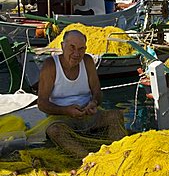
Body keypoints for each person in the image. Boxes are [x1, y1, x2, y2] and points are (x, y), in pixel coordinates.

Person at [37, 29, 126, 158]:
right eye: (72, 48)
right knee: (55, 131)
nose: (76, 53)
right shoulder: (51, 65)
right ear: (62, 46)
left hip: (89, 115)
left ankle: (117, 154)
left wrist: (94, 103)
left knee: (115, 116)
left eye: (81, 49)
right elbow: (42, 104)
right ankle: (88, 159)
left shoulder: (88, 61)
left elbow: (97, 93)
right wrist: (66, 111)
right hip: (61, 118)